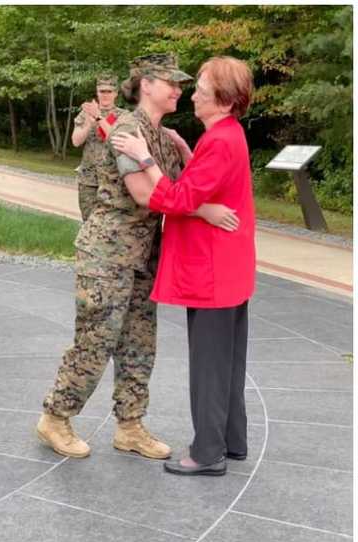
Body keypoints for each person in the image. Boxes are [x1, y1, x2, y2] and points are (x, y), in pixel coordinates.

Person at [37, 54, 195, 460]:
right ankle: (55, 417)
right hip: (108, 252)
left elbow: (188, 190)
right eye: (170, 83)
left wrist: (183, 150)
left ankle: (130, 426)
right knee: (97, 340)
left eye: (180, 84)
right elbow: (145, 194)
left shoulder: (162, 136)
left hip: (143, 255)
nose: (178, 90)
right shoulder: (126, 129)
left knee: (139, 343)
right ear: (146, 85)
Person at [110, 56, 255, 477]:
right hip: (229, 270)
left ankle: (207, 453)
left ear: (224, 100)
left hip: (212, 271)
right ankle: (232, 440)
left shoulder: (220, 139)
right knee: (228, 362)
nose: (193, 96)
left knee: (209, 366)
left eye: (202, 90)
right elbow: (208, 182)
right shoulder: (227, 134)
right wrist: (190, 155)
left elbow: (175, 199)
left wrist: (145, 158)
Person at [72, 73, 127, 220]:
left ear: (116, 93)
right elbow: (76, 141)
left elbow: (116, 138)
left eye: (109, 91)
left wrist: (98, 117)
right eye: (102, 91)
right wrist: (88, 124)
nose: (105, 95)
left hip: (114, 180)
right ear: (97, 92)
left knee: (112, 224)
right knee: (88, 222)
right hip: (89, 180)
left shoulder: (123, 116)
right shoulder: (86, 113)